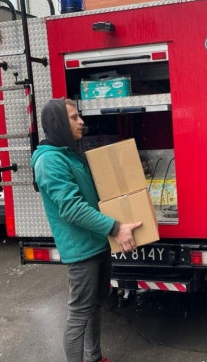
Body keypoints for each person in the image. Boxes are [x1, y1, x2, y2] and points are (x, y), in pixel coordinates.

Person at [32, 98, 142, 362]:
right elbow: (72, 208)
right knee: (79, 313)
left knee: (95, 306)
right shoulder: (49, 161)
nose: (81, 122)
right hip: (81, 250)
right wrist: (115, 227)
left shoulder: (70, 155)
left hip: (97, 243)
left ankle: (94, 357)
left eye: (79, 116)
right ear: (58, 122)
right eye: (73, 117)